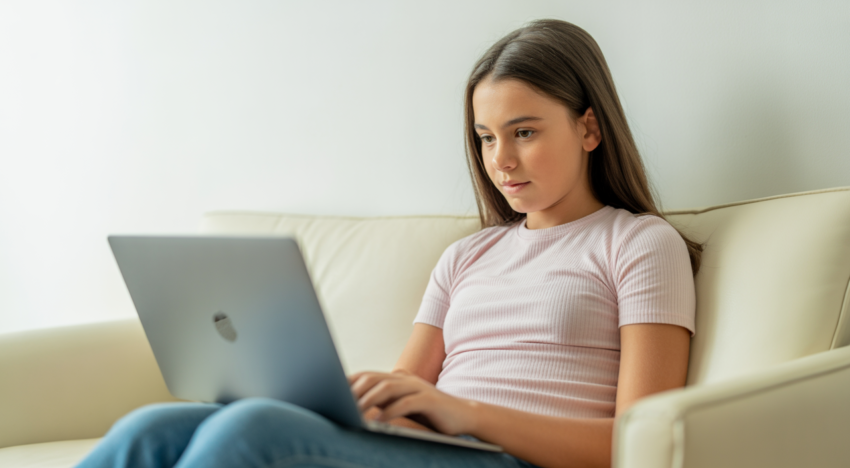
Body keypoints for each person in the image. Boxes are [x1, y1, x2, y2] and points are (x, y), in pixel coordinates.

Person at [77, 19, 700, 468]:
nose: (500, 161)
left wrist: (468, 415)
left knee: (254, 431)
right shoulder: (468, 256)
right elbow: (409, 382)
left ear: (588, 126)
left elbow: (640, 441)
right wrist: (373, 401)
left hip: (507, 458)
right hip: (433, 445)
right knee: (152, 427)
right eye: (485, 138)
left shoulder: (640, 244)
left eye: (524, 132)